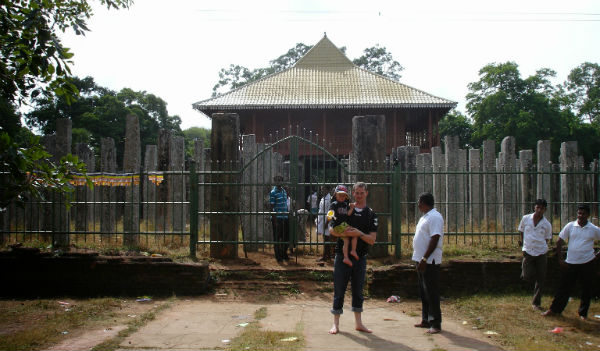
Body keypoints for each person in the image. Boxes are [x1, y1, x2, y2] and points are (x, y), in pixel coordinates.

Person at [329, 182, 377, 335]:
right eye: (356, 192)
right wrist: (348, 234)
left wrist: (359, 233)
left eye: (361, 193)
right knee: (339, 289)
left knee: (358, 290)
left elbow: (372, 240)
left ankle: (359, 323)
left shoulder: (370, 214)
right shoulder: (343, 208)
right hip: (342, 255)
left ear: (366, 193)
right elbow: (331, 229)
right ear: (353, 193)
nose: (359, 195)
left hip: (360, 256)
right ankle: (335, 324)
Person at [542, 204, 600, 320]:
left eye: (583, 214)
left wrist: (596, 256)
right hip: (571, 262)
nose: (580, 216)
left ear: (588, 215)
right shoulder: (570, 226)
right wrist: (560, 259)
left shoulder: (594, 229)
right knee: (564, 287)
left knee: (586, 289)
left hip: (587, 263)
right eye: (579, 213)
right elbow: (559, 241)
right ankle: (555, 310)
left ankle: (583, 314)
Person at [412, 192, 444, 334]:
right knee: (424, 292)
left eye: (419, 202)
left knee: (431, 292)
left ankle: (435, 323)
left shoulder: (435, 217)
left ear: (425, 203)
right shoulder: (425, 216)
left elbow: (435, 238)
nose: (418, 205)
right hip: (421, 260)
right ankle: (426, 320)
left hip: (429, 261)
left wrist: (425, 259)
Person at [518, 199, 553, 310]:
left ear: (545, 210)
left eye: (541, 208)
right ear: (534, 207)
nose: (539, 210)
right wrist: (523, 246)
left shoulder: (547, 224)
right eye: (537, 207)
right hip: (528, 250)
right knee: (527, 275)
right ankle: (526, 273)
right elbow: (521, 231)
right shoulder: (526, 218)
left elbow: (547, 239)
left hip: (541, 252)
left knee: (541, 278)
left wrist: (541, 248)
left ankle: (536, 302)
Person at [328, 184, 357, 266]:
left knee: (349, 238)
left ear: (346, 197)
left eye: (343, 195)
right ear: (335, 195)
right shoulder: (334, 204)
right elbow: (330, 212)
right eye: (340, 195)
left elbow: (348, 214)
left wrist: (351, 208)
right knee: (342, 240)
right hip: (337, 225)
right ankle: (338, 255)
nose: (342, 197)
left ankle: (347, 255)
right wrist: (330, 216)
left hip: (343, 225)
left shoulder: (345, 205)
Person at [270, 175, 289, 263]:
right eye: (277, 181)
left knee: (286, 238)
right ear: (275, 182)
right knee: (277, 238)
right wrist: (274, 220)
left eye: (280, 180)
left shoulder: (284, 191)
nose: (279, 182)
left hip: (285, 217)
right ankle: (278, 256)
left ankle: (284, 254)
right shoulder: (273, 192)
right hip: (277, 218)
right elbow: (271, 207)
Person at [316, 185, 334, 261]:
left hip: (326, 221)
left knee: (326, 239)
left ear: (327, 190)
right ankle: (327, 256)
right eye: (321, 189)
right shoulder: (323, 198)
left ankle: (325, 256)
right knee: (325, 238)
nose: (321, 191)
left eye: (323, 189)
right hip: (322, 220)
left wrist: (327, 223)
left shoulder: (329, 199)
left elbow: (331, 212)